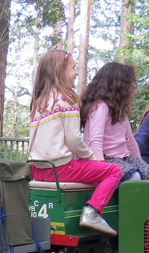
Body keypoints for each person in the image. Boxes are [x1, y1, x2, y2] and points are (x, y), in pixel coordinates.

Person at [28, 49, 121, 236]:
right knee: (114, 170)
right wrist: (92, 158)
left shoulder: (40, 101)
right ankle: (92, 212)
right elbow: (73, 139)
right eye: (73, 68)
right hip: (60, 168)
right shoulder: (67, 98)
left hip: (38, 169)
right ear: (59, 71)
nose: (77, 72)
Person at [80, 62, 149, 182]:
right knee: (134, 177)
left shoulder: (119, 110)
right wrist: (99, 164)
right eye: (130, 83)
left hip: (125, 158)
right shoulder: (101, 107)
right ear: (119, 86)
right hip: (106, 159)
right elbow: (95, 139)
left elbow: (131, 141)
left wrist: (140, 163)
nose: (133, 87)